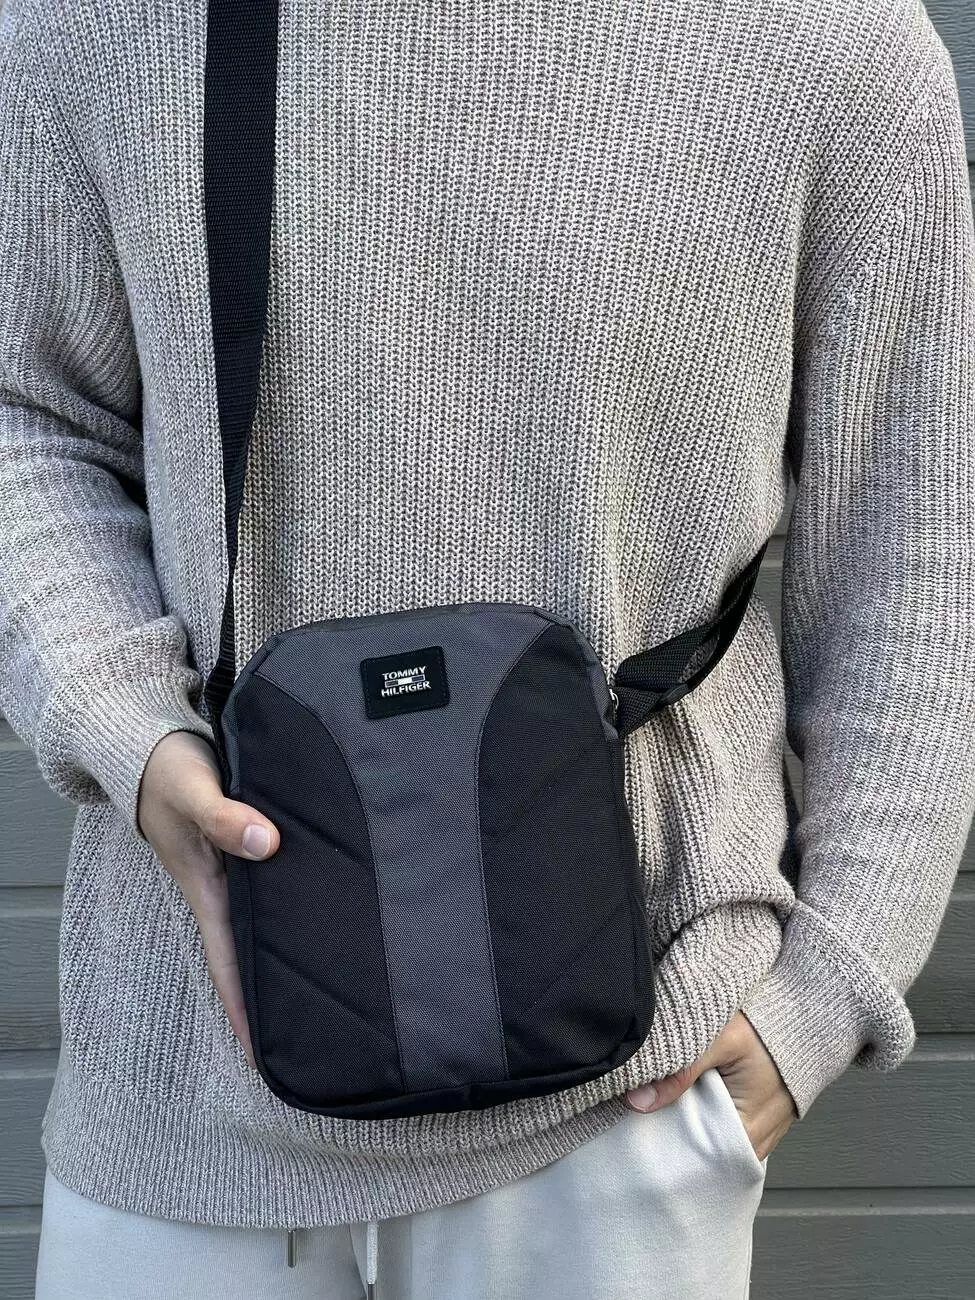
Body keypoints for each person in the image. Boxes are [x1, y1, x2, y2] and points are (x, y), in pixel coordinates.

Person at [1, 0, 973, 1296]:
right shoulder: (87, 24)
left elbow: (916, 540)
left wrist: (826, 991)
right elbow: (30, 417)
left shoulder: (826, 41)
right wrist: (122, 724)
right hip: (183, 1099)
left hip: (626, 1120)